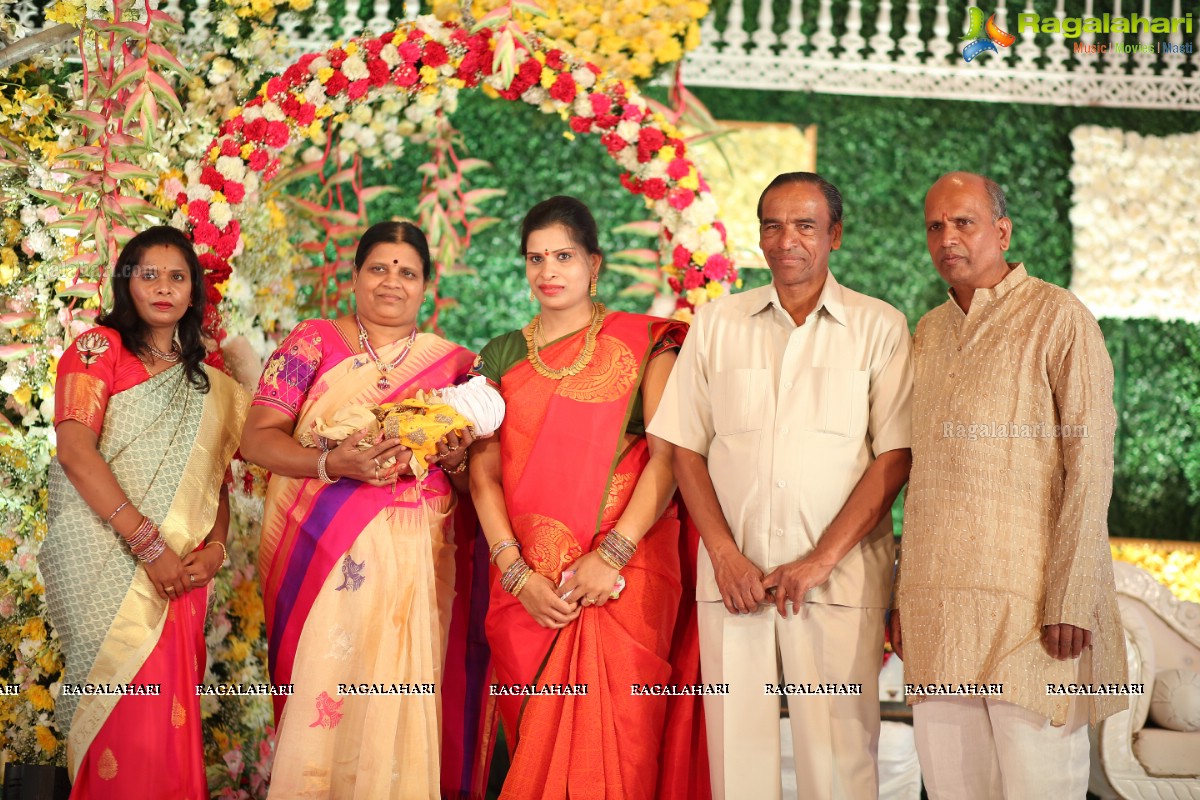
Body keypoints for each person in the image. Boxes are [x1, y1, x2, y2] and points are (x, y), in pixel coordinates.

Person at [650, 172, 913, 800]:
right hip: (734, 580)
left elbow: (895, 456)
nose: (786, 239)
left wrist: (819, 561)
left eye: (805, 225)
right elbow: (684, 447)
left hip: (838, 580)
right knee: (736, 764)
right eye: (773, 225)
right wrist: (725, 556)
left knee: (839, 764)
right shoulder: (717, 322)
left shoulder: (879, 327)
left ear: (835, 235)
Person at [891, 171, 1127, 797]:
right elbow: (922, 473)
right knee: (951, 789)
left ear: (1002, 231)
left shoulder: (1058, 317)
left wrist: (1072, 595)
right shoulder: (930, 331)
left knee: (1038, 785)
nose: (947, 238)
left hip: (1034, 611)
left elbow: (1091, 461)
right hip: (937, 606)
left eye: (963, 222)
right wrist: (901, 594)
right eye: (935, 226)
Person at [471, 196, 709, 799]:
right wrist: (516, 572)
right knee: (532, 749)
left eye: (564, 256)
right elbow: (484, 475)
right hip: (526, 588)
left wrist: (613, 556)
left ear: (594, 264)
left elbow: (669, 457)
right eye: (535, 258)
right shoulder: (497, 356)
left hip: (620, 583)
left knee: (619, 759)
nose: (548, 271)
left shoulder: (649, 343)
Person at [240, 221, 482, 799]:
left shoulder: (454, 369)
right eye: (378, 268)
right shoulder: (313, 342)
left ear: (426, 285)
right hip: (320, 551)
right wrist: (332, 462)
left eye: (407, 272)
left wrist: (452, 460)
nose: (391, 282)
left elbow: (478, 480)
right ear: (355, 276)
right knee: (326, 695)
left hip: (417, 563)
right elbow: (257, 439)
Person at [41, 226, 247, 798]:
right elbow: (76, 451)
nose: (162, 287)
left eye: (176, 276)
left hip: (181, 573)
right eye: (148, 274)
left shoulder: (208, 382)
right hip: (109, 560)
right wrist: (149, 546)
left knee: (168, 727)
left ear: (192, 291)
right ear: (126, 283)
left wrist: (216, 549)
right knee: (121, 728)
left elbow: (216, 484)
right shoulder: (98, 350)